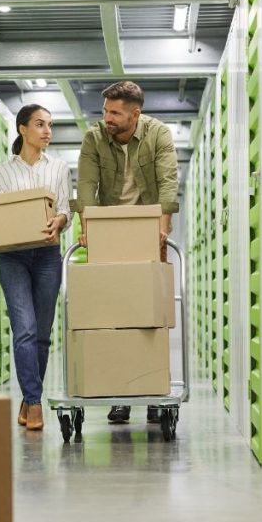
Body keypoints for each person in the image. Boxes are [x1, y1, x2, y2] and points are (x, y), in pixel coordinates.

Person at [74, 80, 179, 425]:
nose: (107, 118)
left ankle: (150, 390)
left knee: (150, 318)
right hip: (108, 230)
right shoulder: (94, 138)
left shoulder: (158, 134)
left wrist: (162, 227)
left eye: (115, 113)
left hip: (148, 228)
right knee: (113, 318)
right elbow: (86, 185)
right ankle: (120, 394)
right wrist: (87, 229)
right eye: (105, 111)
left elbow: (167, 181)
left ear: (135, 113)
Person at [0, 104, 72, 431]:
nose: (47, 131)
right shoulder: (2, 172)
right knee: (26, 330)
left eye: (50, 125)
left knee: (42, 336)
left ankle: (29, 395)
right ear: (22, 129)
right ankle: (34, 403)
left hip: (47, 256)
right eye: (40, 124)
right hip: (13, 258)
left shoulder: (58, 168)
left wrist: (59, 221)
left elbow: (64, 211)